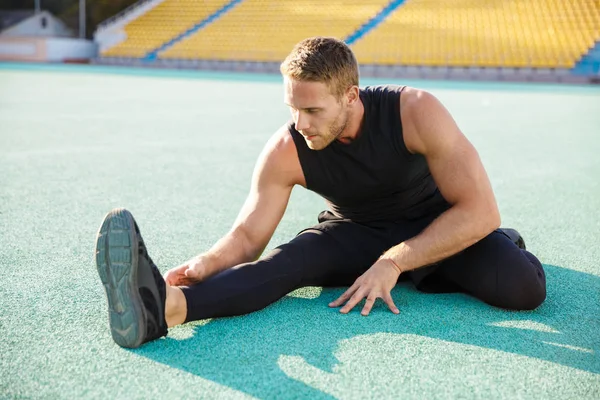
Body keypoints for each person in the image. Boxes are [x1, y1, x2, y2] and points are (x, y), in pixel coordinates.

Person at [95, 37, 546, 349]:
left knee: (523, 288)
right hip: (355, 232)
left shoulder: (415, 111)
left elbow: (480, 210)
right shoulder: (286, 148)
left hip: (433, 223)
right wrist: (207, 263)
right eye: (292, 107)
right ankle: (165, 309)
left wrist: (395, 262)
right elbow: (250, 236)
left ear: (351, 97)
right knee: (287, 264)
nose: (300, 123)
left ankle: (478, 251)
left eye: (312, 109)